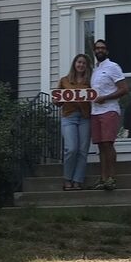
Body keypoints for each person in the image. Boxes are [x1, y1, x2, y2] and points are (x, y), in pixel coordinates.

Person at [90, 38, 129, 191]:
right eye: (97, 48)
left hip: (109, 110)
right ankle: (103, 178)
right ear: (94, 51)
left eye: (102, 48)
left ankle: (111, 178)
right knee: (100, 145)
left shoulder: (113, 67)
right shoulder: (94, 70)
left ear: (107, 51)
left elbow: (124, 89)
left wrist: (105, 98)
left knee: (108, 143)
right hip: (95, 112)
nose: (100, 50)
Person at [57, 53, 92, 191]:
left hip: (85, 117)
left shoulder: (90, 82)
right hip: (69, 117)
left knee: (83, 150)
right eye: (79, 62)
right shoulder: (64, 81)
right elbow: (58, 102)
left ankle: (78, 181)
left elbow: (94, 97)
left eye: (84, 63)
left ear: (86, 66)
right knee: (71, 149)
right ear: (74, 64)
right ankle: (67, 179)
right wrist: (56, 100)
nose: (81, 65)